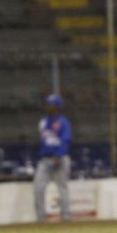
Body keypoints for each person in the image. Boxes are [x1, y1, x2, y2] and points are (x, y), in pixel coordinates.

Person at [34, 94, 72, 222]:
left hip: (60, 159)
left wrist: (59, 155)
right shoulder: (43, 121)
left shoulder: (63, 122)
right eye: (48, 103)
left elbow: (65, 141)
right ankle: (41, 218)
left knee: (62, 188)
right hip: (45, 160)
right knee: (38, 188)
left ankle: (66, 217)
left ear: (57, 106)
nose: (48, 106)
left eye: (51, 104)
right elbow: (44, 140)